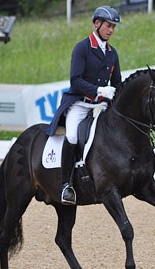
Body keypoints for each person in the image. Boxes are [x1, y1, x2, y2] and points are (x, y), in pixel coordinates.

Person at [46, 6, 122, 205]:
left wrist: (116, 94)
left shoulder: (113, 54)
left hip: (101, 106)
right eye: (108, 25)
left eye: (113, 26)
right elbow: (75, 81)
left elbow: (117, 82)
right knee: (72, 136)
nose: (111, 30)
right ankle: (66, 185)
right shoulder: (82, 48)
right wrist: (98, 90)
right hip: (80, 104)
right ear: (97, 24)